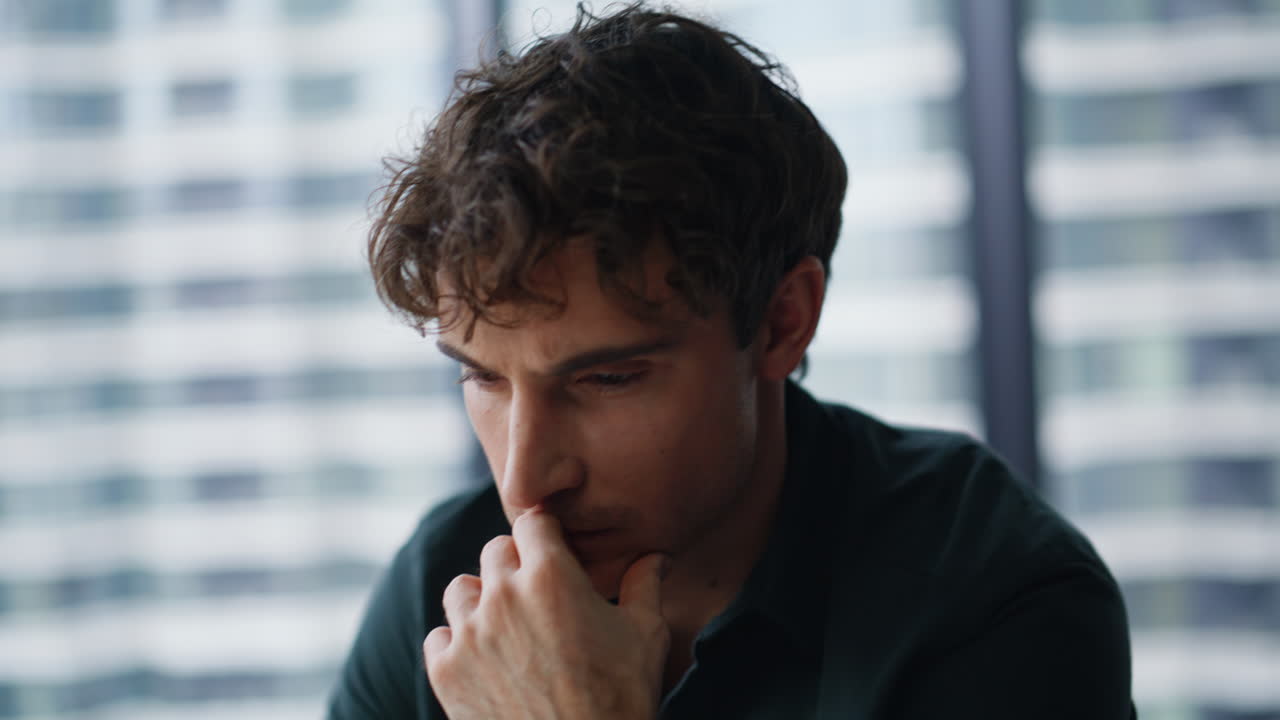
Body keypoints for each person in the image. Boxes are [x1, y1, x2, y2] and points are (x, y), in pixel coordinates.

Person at [326, 3, 1136, 718]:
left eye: (606, 379)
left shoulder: (993, 598)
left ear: (784, 321)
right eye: (485, 377)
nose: (525, 483)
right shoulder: (444, 583)